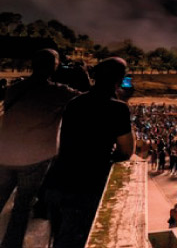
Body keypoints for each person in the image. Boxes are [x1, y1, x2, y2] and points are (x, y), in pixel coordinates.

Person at [44, 57, 134, 248]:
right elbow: (126, 151)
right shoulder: (118, 108)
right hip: (86, 184)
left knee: (58, 238)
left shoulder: (75, 102)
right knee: (77, 239)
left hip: (59, 179)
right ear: (119, 80)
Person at [0, 49, 78, 248]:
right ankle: (11, 245)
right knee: (22, 207)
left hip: (6, 154)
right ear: (54, 67)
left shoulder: (14, 89)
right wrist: (80, 76)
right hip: (35, 158)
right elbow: (87, 101)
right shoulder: (60, 92)